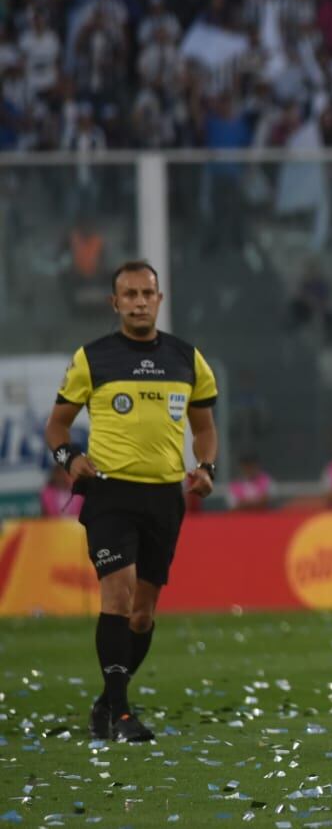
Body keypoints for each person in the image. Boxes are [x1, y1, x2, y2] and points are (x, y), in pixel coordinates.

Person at [44, 260, 219, 743]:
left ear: (160, 300)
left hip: (165, 497)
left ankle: (106, 702)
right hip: (111, 493)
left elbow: (204, 430)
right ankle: (121, 714)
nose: (140, 301)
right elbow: (57, 426)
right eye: (130, 294)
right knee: (116, 594)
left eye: (148, 293)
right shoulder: (93, 358)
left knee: (143, 613)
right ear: (115, 303)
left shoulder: (188, 359)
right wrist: (69, 457)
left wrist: (206, 468)